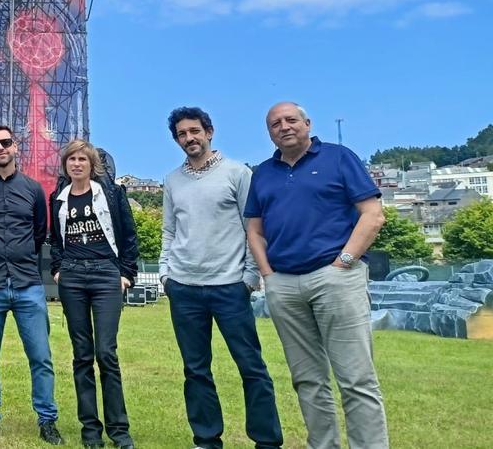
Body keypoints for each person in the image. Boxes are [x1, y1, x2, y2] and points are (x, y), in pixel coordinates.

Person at [245, 102, 388, 449]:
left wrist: (344, 263)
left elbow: (372, 214)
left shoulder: (339, 158)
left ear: (307, 123)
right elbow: (254, 230)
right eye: (275, 123)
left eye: (291, 119)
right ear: (269, 133)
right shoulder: (263, 173)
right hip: (285, 284)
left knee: (356, 379)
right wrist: (269, 275)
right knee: (307, 380)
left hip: (335, 277)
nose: (284, 126)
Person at [161, 107, 282, 449]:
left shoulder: (237, 173)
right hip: (184, 288)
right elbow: (169, 230)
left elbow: (253, 228)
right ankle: (206, 438)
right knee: (195, 370)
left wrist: (248, 275)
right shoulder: (172, 180)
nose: (189, 138)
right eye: (182, 134)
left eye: (194, 131)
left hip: (230, 287)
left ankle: (267, 441)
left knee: (251, 366)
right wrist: (166, 273)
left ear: (209, 131)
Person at [0, 125, 62, 445]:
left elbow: (38, 232)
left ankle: (47, 420)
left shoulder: (33, 190)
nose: (0, 149)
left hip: (26, 283)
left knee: (41, 357)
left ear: (15, 146)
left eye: (6, 143)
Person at [49, 139, 138, 449]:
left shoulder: (111, 194)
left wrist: (126, 274)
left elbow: (128, 235)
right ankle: (90, 431)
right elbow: (54, 240)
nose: (76, 164)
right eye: (71, 159)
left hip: (105, 273)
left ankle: (119, 431)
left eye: (82, 160)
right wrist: (58, 269)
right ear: (65, 166)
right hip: (72, 275)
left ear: (92, 165)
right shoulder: (58, 199)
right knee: (82, 355)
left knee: (106, 353)